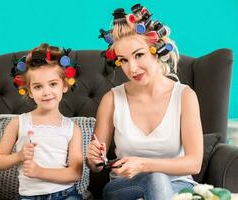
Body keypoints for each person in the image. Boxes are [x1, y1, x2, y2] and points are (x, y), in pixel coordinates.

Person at [87, 4, 203, 200]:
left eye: (139, 55)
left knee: (158, 180)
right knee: (155, 180)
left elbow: (193, 163)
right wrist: (94, 159)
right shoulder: (112, 99)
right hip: (124, 187)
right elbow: (96, 166)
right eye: (123, 60)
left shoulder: (184, 96)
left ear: (156, 51)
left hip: (178, 185)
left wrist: (144, 165)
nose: (132, 69)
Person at [0, 43, 83, 200]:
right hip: (30, 196)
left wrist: (39, 172)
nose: (46, 92)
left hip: (65, 194)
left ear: (65, 85)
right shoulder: (18, 123)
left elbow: (75, 172)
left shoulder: (72, 128)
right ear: (30, 91)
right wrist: (19, 156)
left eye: (53, 84)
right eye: (38, 87)